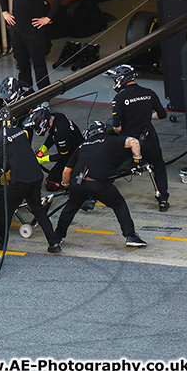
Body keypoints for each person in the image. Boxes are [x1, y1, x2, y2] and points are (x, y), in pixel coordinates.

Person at [51, 121, 147, 249]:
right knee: (118, 204)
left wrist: (67, 187)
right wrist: (137, 161)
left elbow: (66, 171)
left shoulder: (82, 145)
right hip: (98, 183)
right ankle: (130, 236)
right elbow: (134, 142)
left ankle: (57, 236)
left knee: (70, 208)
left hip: (77, 182)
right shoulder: (109, 140)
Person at [0, 107, 59, 253]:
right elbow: (16, 155)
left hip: (21, 181)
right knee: (38, 210)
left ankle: (0, 241)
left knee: (5, 209)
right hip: (35, 176)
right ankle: (54, 243)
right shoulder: (19, 131)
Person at [0, 0, 63, 91]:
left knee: (39, 65)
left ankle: (44, 96)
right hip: (17, 29)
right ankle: (25, 94)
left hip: (34, 30)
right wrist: (5, 12)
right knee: (22, 65)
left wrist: (48, 18)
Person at [108, 64, 170, 212]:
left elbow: (116, 127)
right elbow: (162, 115)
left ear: (121, 79)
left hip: (129, 141)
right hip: (149, 139)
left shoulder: (119, 98)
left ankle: (91, 197)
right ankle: (162, 200)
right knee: (159, 167)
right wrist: (145, 116)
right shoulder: (149, 93)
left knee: (109, 165)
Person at [23, 106, 83, 191]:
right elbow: (52, 135)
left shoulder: (61, 133)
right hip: (72, 147)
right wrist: (43, 149)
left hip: (75, 155)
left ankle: (71, 180)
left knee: (50, 185)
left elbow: (64, 156)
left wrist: (43, 159)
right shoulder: (56, 117)